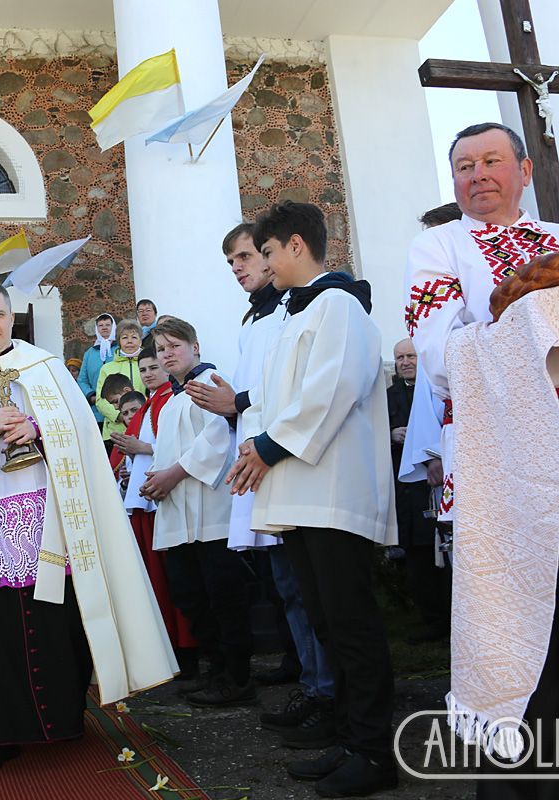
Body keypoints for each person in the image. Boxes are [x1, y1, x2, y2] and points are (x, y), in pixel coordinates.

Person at [406, 122, 559, 792]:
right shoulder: (439, 244)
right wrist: (537, 320)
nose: (477, 174)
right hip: (500, 466)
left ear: (523, 169)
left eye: (490, 161)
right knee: (514, 638)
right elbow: (438, 352)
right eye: (463, 165)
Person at [0, 282, 177, 776]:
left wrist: (37, 428)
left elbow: (79, 433)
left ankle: (61, 721)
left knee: (57, 620)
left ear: (13, 318)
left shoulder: (46, 367)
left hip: (50, 520)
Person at [229, 201, 397, 795]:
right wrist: (257, 445)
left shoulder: (339, 305)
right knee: (327, 623)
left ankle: (377, 753)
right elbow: (277, 400)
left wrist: (267, 447)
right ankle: (351, 738)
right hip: (302, 493)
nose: (266, 266)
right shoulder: (294, 314)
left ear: (296, 245)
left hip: (333, 491)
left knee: (351, 625)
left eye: (267, 252)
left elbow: (332, 389)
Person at [187, 220, 336, 748]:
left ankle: (326, 691)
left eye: (248, 256)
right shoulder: (257, 315)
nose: (240, 268)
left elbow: (291, 391)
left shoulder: (299, 309)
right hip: (260, 462)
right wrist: (237, 409)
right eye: (232, 262)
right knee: (287, 588)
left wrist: (240, 404)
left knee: (306, 590)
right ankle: (312, 681)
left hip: (288, 462)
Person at [141, 317, 255, 708]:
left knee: (223, 598)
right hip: (179, 512)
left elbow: (218, 440)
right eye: (161, 349)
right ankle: (216, 670)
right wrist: (156, 478)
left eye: (174, 345)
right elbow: (165, 448)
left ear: (195, 347)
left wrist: (173, 474)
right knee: (191, 597)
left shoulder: (210, 383)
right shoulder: (171, 399)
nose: (167, 353)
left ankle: (238, 679)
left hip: (212, 512)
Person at [109, 347, 197, 675]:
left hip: (167, 502)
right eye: (142, 368)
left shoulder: (172, 399)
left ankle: (188, 654)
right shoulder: (147, 405)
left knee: (178, 585)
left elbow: (184, 446)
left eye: (152, 366)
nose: (147, 373)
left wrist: (142, 449)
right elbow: (126, 457)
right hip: (143, 504)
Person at [387, 338, 450, 645]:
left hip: (437, 479)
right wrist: (390, 434)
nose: (406, 361)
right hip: (406, 489)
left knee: (443, 551)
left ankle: (450, 618)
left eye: (411, 355)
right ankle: (431, 618)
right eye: (400, 357)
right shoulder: (387, 397)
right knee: (416, 555)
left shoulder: (435, 388)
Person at [95, 319, 144, 441]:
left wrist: (139, 413)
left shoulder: (147, 365)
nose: (129, 341)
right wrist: (120, 415)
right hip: (115, 431)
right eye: (124, 337)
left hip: (143, 425)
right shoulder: (107, 368)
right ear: (119, 341)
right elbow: (100, 400)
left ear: (140, 340)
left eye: (134, 337)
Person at [76, 313, 116, 425]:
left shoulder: (120, 350)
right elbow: (82, 380)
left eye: (108, 325)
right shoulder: (89, 353)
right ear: (96, 328)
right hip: (96, 412)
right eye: (100, 325)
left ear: (113, 327)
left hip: (118, 408)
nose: (104, 327)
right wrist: (92, 396)